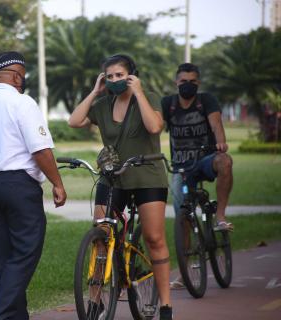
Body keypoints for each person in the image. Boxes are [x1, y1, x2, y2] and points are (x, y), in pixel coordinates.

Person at [69, 54, 173, 319]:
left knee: (154, 238)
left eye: (120, 75)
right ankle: (96, 302)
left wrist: (138, 92)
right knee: (101, 235)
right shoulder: (103, 104)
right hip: (113, 176)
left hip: (147, 174)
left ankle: (165, 304)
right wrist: (95, 92)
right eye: (110, 76)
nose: (115, 80)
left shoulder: (147, 95)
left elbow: (155, 126)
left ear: (132, 75)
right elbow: (74, 121)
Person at [0, 51, 67, 320]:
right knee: (25, 252)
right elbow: (40, 150)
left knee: (3, 258)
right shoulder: (23, 104)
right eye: (22, 76)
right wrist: (58, 183)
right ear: (16, 76)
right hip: (18, 187)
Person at [161, 62, 234, 290]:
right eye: (183, 82)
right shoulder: (169, 104)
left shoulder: (206, 100)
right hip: (181, 167)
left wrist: (220, 141)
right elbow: (156, 127)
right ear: (176, 82)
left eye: (193, 82)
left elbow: (216, 123)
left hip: (205, 160)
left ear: (198, 83)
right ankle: (184, 271)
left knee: (225, 162)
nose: (188, 86)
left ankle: (220, 215)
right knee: (182, 215)